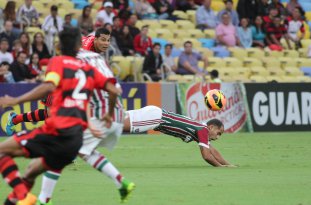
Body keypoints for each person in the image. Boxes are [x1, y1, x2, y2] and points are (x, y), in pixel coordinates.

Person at [5, 28, 135, 204]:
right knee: (31, 171)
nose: (105, 43)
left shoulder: (58, 61)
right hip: (74, 137)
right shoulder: (89, 67)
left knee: (5, 152)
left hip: (58, 130)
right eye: (103, 40)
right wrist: (106, 115)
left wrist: (15, 100)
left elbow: (49, 86)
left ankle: (29, 196)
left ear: (59, 45)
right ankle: (37, 198)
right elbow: (111, 90)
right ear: (79, 44)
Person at [123, 106, 236, 167]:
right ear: (211, 127)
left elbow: (212, 151)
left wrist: (228, 164)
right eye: (218, 133)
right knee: (118, 126)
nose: (218, 137)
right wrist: (220, 166)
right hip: (156, 118)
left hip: (156, 115)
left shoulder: (201, 129)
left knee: (116, 120)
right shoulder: (203, 130)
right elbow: (207, 156)